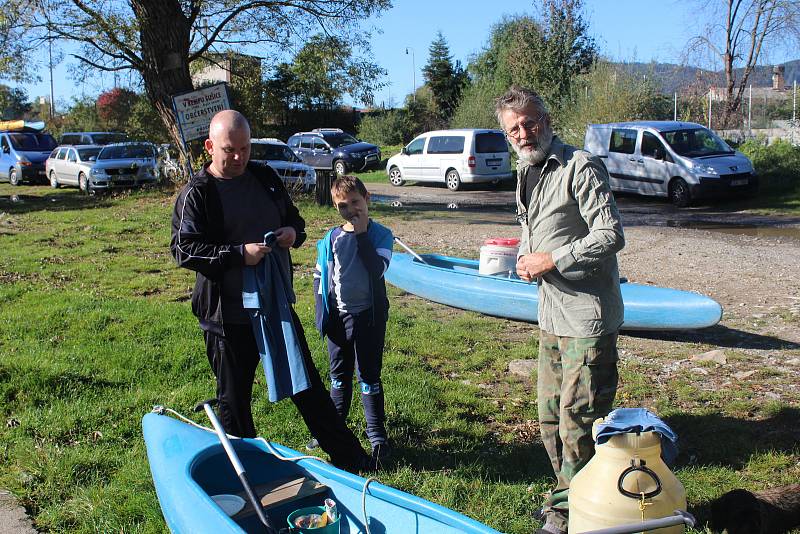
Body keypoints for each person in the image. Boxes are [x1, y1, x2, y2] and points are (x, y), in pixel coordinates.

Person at [170, 110, 372, 472]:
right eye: (229, 150)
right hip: (226, 317)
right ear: (209, 147)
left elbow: (294, 220)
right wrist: (237, 255)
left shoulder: (264, 177)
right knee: (234, 402)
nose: (239, 158)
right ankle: (245, 471)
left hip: (273, 305)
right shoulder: (196, 194)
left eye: (245, 149)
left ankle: (352, 459)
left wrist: (292, 234)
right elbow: (183, 250)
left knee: (306, 385)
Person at [495, 86, 625, 534]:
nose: (524, 133)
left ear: (546, 120)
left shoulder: (579, 166)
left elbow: (610, 235)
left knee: (578, 420)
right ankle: (567, 499)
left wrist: (551, 259)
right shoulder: (525, 171)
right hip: (551, 314)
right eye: (514, 128)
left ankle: (580, 513)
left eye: (530, 123)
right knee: (549, 415)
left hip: (587, 318)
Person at [311, 175, 394, 466]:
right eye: (343, 206)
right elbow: (320, 277)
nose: (351, 210)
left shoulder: (381, 235)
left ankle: (377, 436)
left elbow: (376, 269)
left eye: (355, 202)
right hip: (338, 318)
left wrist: (360, 235)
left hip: (368, 319)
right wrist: (323, 314)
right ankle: (334, 431)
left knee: (369, 376)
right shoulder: (330, 239)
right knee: (338, 375)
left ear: (367, 199)